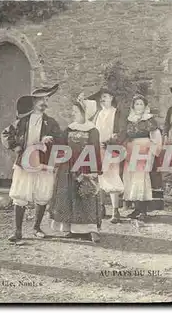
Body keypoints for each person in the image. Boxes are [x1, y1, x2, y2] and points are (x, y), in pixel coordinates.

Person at [1, 85, 62, 241]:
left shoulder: (51, 123)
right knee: (20, 195)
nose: (44, 102)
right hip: (25, 163)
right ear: (34, 101)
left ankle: (36, 227)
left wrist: (50, 140)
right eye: (42, 99)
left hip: (42, 163)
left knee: (42, 195)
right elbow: (6, 134)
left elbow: (61, 140)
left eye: (47, 99)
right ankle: (17, 231)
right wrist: (15, 146)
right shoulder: (22, 121)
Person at [49, 95, 103, 243]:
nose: (73, 113)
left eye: (76, 111)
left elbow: (95, 151)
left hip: (84, 166)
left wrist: (92, 171)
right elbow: (61, 144)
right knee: (69, 196)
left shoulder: (92, 131)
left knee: (85, 195)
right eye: (73, 111)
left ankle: (91, 230)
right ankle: (71, 229)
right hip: (68, 167)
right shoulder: (69, 128)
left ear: (85, 113)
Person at [122, 94, 163, 221]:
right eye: (136, 104)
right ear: (133, 106)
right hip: (131, 150)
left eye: (141, 104)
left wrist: (152, 152)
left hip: (144, 150)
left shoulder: (149, 120)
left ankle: (144, 211)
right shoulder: (129, 119)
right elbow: (125, 135)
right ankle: (136, 208)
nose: (138, 106)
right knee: (131, 179)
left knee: (142, 179)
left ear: (145, 106)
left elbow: (156, 138)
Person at [90, 87, 125, 224]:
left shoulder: (116, 113)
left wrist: (112, 140)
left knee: (112, 177)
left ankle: (115, 211)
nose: (103, 99)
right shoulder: (97, 114)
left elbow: (122, 131)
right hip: (98, 149)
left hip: (111, 148)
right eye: (102, 97)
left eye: (106, 97)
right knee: (99, 177)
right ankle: (101, 208)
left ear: (111, 98)